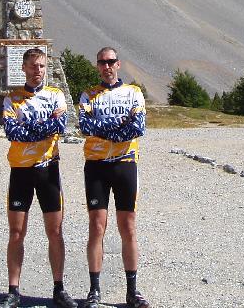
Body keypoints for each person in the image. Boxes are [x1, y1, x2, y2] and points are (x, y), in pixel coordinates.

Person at [0, 48, 77, 308]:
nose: (37, 71)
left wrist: (29, 127)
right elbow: (12, 133)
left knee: (54, 231)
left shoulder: (56, 95)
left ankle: (58, 288)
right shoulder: (12, 98)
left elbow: (60, 127)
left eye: (41, 66)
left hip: (48, 170)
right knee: (16, 232)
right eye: (32, 66)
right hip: (20, 171)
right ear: (24, 68)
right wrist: (42, 128)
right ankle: (13, 291)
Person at [77, 47, 150, 308]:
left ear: (118, 64)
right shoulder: (89, 95)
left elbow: (137, 127)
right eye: (102, 62)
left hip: (125, 164)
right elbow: (85, 127)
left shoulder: (133, 92)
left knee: (127, 227)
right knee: (97, 227)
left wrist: (103, 130)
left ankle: (132, 291)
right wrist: (119, 127)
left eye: (111, 62)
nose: (106, 66)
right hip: (96, 165)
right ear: (97, 66)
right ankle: (94, 291)